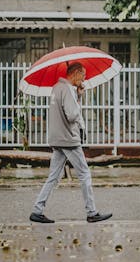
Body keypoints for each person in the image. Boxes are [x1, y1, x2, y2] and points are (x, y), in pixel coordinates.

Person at [29, 62, 112, 224]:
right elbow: (72, 115)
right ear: (75, 73)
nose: (84, 78)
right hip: (68, 139)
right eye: (83, 75)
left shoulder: (56, 88)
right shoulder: (67, 89)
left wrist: (78, 95)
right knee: (84, 174)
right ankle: (92, 212)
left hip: (57, 138)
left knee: (53, 176)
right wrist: (77, 98)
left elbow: (66, 109)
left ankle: (37, 210)